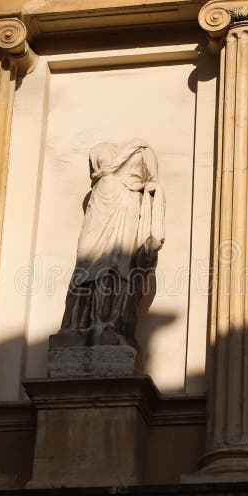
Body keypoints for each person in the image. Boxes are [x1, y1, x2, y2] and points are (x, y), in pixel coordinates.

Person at [56, 139, 165, 347]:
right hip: (98, 208)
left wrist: (151, 193)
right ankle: (77, 324)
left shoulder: (143, 149)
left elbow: (153, 181)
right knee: (86, 265)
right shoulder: (97, 148)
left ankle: (110, 324)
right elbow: (95, 176)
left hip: (126, 205)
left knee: (118, 265)